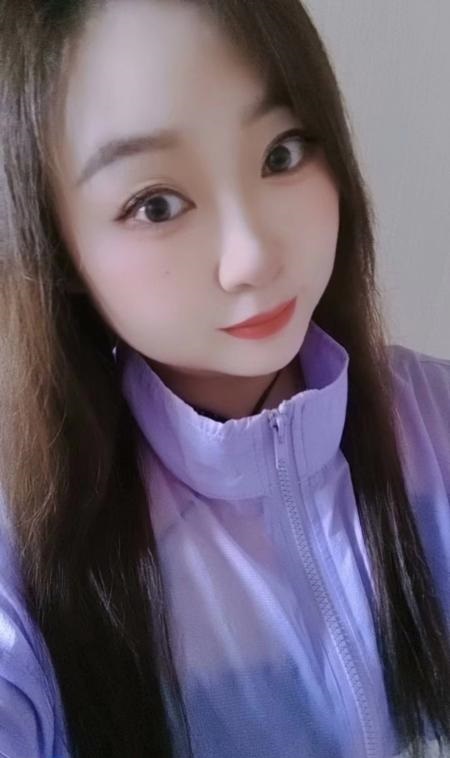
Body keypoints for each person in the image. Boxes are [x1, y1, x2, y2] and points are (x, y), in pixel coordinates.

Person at [0, 1, 449, 757]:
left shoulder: (436, 425)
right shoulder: (27, 547)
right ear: (56, 247)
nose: (252, 258)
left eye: (282, 154)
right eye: (156, 204)